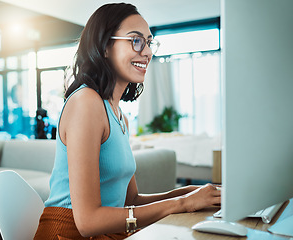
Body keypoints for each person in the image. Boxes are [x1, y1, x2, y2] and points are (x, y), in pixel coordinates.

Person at [34, 3, 221, 240]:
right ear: (104, 47)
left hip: (109, 232)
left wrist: (191, 193)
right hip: (67, 234)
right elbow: (88, 222)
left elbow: (130, 201)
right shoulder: (86, 103)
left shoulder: (119, 115)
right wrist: (182, 203)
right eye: (135, 40)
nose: (147, 51)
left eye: (149, 42)